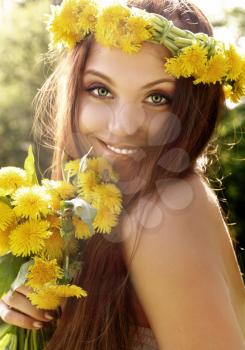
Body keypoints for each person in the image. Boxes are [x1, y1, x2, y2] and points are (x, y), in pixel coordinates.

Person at [0, 0, 245, 349]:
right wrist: (31, 313)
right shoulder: (110, 211)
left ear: (194, 108)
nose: (123, 127)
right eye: (101, 90)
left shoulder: (164, 212)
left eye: (158, 98)